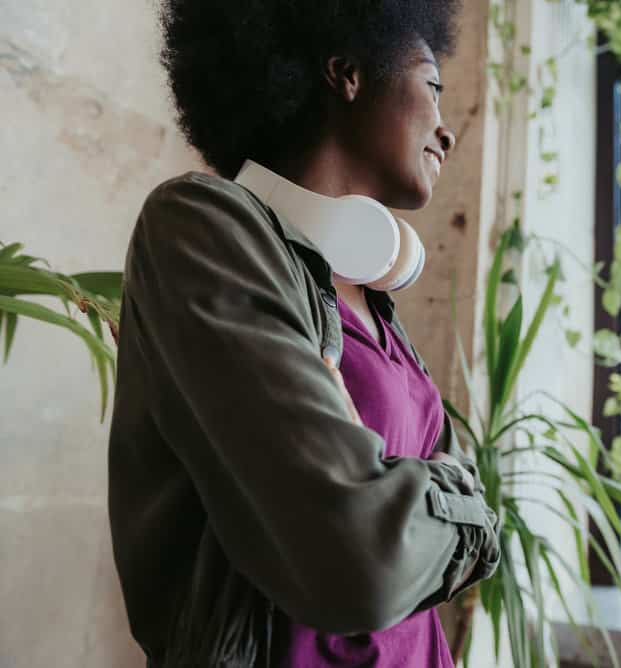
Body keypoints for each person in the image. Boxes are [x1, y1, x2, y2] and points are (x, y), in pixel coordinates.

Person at [106, 2, 501, 667]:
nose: (445, 130)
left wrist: (401, 496)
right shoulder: (200, 230)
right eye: (431, 86)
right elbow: (361, 561)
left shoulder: (374, 305)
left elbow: (470, 522)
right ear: (347, 72)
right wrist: (442, 505)